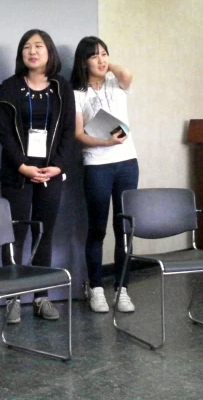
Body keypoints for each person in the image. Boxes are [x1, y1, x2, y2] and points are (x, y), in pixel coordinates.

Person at [0, 29, 75, 324]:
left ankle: (41, 297)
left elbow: (67, 131)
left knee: (44, 233)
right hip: (17, 173)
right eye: (26, 46)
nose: (32, 51)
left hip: (51, 172)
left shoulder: (61, 88)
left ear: (49, 52)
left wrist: (59, 166)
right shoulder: (8, 88)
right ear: (21, 54)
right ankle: (12, 298)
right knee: (15, 234)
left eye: (38, 46)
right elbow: (4, 135)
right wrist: (23, 166)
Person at [70, 36, 138, 313]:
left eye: (105, 54)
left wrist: (107, 65)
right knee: (97, 228)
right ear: (83, 60)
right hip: (97, 163)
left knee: (124, 229)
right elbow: (77, 135)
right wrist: (106, 143)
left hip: (127, 163)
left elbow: (126, 74)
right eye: (94, 55)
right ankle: (96, 288)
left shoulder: (116, 84)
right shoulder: (77, 92)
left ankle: (122, 289)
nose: (101, 59)